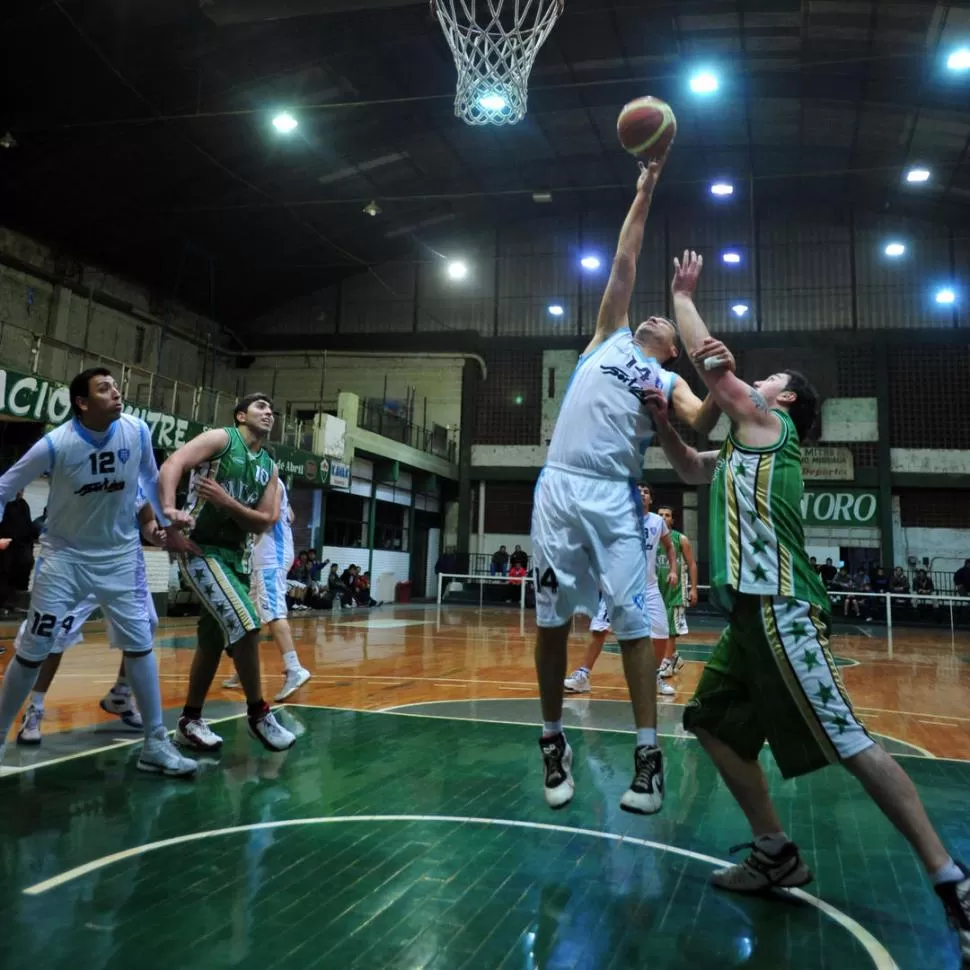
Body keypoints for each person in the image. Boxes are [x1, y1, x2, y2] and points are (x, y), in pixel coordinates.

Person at [641, 248, 969, 960]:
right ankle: (775, 853)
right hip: (747, 618)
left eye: (769, 381)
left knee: (850, 742)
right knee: (714, 725)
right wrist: (663, 422)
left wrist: (682, 296)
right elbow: (694, 466)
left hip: (783, 606)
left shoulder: (772, 428)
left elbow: (716, 377)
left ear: (783, 402)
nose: (757, 381)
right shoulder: (740, 447)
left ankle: (953, 881)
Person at [531, 158, 724, 815]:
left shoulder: (668, 381)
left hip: (616, 492)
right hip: (558, 487)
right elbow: (625, 257)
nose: (654, 323)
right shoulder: (607, 336)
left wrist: (713, 377)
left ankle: (648, 757)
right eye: (657, 321)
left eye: (666, 329)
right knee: (552, 621)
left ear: (672, 350)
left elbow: (702, 423)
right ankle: (552, 741)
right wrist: (644, 188)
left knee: (635, 624)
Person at [0, 366, 197, 776]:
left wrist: (165, 518)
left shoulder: (137, 430)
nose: (116, 393)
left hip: (120, 557)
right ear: (82, 403)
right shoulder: (56, 444)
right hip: (64, 559)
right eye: (104, 389)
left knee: (141, 642)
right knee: (34, 648)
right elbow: (4, 486)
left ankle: (155, 744)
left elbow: (147, 478)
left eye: (116, 386)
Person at [158, 391, 295, 753]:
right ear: (240, 416)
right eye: (261, 406)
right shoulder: (221, 439)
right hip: (199, 549)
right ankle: (259, 713)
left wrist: (226, 502)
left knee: (212, 642)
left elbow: (264, 523)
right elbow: (172, 464)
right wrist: (169, 513)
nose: (269, 412)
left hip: (236, 557)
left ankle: (189, 721)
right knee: (248, 624)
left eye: (272, 408)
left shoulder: (270, 466)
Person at [16, 491, 165, 745]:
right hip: (78, 561)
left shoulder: (139, 472)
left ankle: (121, 693)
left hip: (121, 564)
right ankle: (35, 708)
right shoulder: (83, 462)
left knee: (147, 623)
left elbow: (147, 521)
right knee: (55, 636)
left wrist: (156, 534)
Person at [563, 484, 678, 698]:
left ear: (650, 499)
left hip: (648, 587)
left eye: (646, 492)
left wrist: (673, 570)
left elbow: (670, 547)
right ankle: (582, 676)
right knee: (599, 630)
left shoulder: (657, 522)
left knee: (661, 634)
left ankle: (653, 677)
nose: (642, 494)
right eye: (638, 491)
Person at [223, 481, 311, 702]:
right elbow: (289, 515)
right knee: (249, 615)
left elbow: (269, 518)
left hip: (271, 558)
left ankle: (295, 668)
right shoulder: (272, 485)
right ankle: (244, 669)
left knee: (273, 613)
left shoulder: (269, 483)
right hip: (262, 558)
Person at [655, 505, 698, 680]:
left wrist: (693, 589)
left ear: (672, 520)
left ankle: (666, 662)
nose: (663, 517)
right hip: (656, 588)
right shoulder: (651, 537)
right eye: (660, 515)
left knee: (671, 627)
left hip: (675, 590)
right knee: (658, 627)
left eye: (667, 515)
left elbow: (692, 564)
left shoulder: (681, 539)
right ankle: (674, 656)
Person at [0, 489, 37, 615]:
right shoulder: (3, 504)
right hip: (5, 550)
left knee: (22, 574)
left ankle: (16, 606)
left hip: (22, 552)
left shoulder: (23, 505)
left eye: (22, 489)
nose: (20, 492)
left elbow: (29, 527)